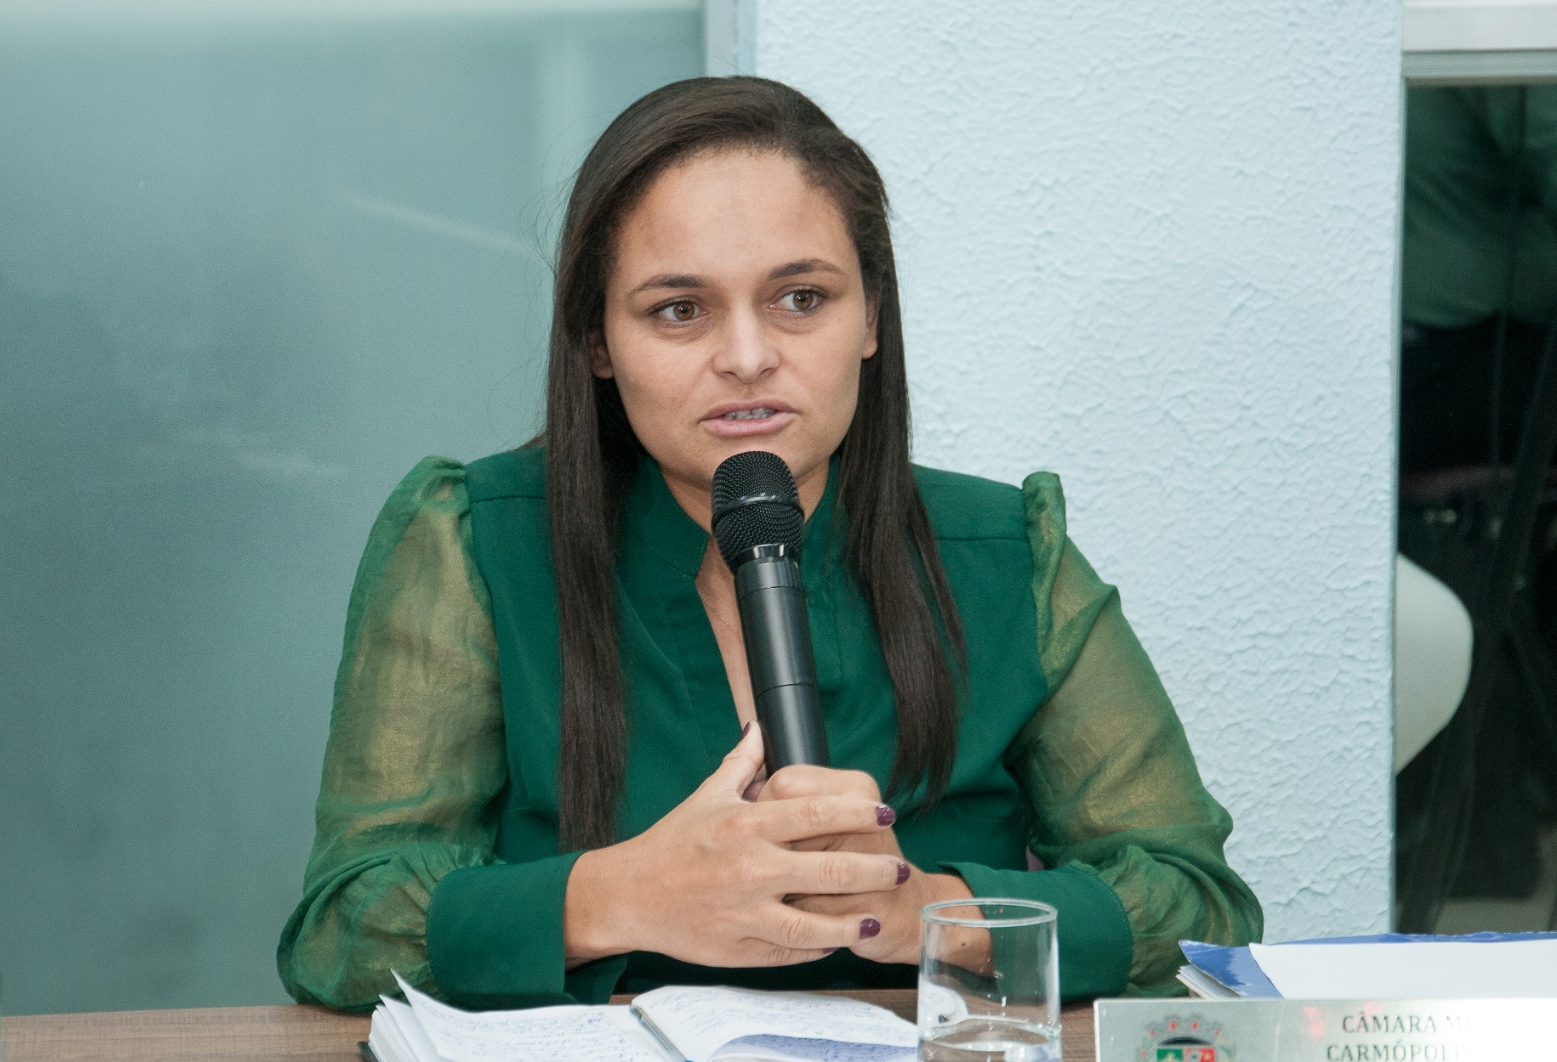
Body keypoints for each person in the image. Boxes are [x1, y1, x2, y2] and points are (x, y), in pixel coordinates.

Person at [278, 76, 1262, 1013]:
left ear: (871, 315)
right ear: (597, 342)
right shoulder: (472, 542)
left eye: (800, 299)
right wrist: (626, 895)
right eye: (679, 310)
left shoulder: (1008, 553)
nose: (747, 358)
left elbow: (1201, 912)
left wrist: (930, 912)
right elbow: (344, 930)